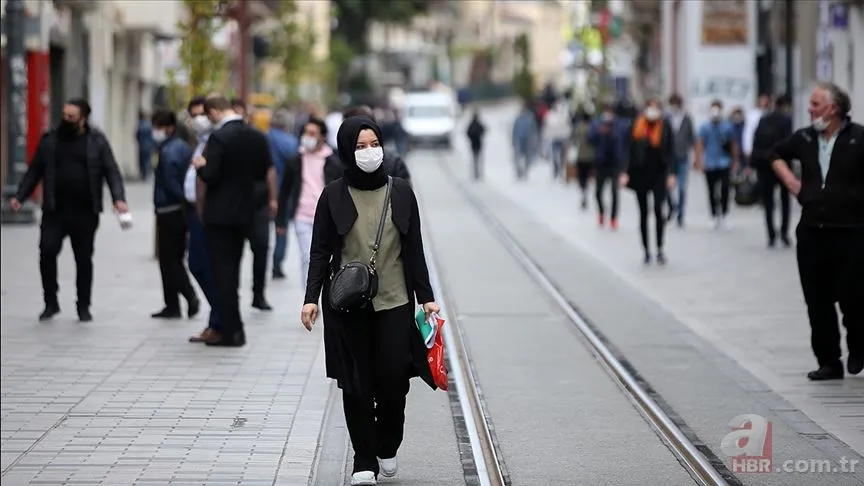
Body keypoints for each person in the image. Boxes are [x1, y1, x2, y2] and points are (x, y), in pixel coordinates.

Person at [300, 116, 441, 485]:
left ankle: (388, 443)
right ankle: (364, 457)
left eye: (374, 144)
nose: (369, 152)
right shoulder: (333, 194)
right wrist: (310, 298)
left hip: (395, 300)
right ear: (348, 150)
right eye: (360, 146)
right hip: (348, 304)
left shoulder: (402, 191)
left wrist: (426, 297)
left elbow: (414, 248)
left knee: (394, 379)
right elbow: (319, 250)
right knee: (356, 382)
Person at [770, 82, 864, 381]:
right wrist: (791, 182)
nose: (809, 110)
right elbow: (774, 154)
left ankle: (858, 344)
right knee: (817, 299)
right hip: (812, 231)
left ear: (833, 108)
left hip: (851, 231)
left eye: (815, 104)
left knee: (853, 295)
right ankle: (829, 361)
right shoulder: (805, 137)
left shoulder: (858, 137)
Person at [9, 98, 128, 321]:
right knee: (47, 252)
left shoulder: (97, 141)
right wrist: (20, 196)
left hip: (85, 212)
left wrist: (119, 198)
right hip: (55, 210)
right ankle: (50, 302)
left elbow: (111, 171)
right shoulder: (50, 140)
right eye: (64, 115)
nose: (66, 120)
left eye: (71, 117)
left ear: (83, 119)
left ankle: (83, 306)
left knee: (83, 259)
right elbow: (35, 170)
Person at [193, 96, 275, 347]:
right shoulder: (257, 136)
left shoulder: (218, 138)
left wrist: (200, 166)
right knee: (234, 271)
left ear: (215, 112)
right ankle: (233, 329)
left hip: (219, 216)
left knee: (223, 275)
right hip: (246, 212)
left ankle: (232, 331)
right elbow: (263, 171)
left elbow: (210, 174)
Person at [276, 117, 342, 287]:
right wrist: (280, 221)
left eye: (313, 133)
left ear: (322, 136)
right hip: (302, 216)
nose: (308, 137)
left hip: (326, 218)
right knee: (307, 257)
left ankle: (325, 292)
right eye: (306, 133)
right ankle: (310, 295)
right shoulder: (295, 160)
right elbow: (284, 191)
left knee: (327, 257)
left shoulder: (333, 162)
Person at [149, 109, 200, 319]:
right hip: (177, 209)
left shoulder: (170, 150)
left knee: (170, 259)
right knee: (172, 258)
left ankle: (189, 296)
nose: (155, 131)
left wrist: (182, 201)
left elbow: (171, 182)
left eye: (158, 127)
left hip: (171, 210)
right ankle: (172, 304)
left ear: (169, 128)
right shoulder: (181, 147)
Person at [183, 96, 222, 342]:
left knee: (203, 265)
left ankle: (220, 318)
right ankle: (217, 316)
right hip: (194, 211)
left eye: (202, 115)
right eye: (194, 115)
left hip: (207, 213)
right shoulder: (200, 142)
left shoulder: (216, 142)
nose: (198, 120)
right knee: (198, 264)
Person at [620, 99, 676, 264]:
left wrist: (672, 174)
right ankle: (646, 250)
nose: (652, 111)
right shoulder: (636, 125)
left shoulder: (665, 126)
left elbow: (671, 151)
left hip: (659, 172)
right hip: (640, 173)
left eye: (656, 108)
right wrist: (624, 172)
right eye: (650, 108)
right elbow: (628, 150)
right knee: (643, 212)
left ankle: (659, 248)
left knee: (659, 209)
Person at [752, 94, 794, 247]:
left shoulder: (763, 120)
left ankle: (771, 234)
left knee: (768, 202)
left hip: (765, 164)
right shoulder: (786, 120)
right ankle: (784, 233)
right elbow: (789, 142)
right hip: (782, 163)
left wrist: (755, 163)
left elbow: (756, 141)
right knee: (785, 200)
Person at [695, 99, 739, 229]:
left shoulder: (727, 126)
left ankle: (724, 214)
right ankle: (714, 215)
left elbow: (733, 144)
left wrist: (735, 161)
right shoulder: (704, 126)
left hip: (724, 162)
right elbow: (700, 144)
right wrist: (699, 161)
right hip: (710, 163)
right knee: (711, 190)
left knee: (725, 189)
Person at [268, 109, 300, 279]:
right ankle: (277, 264)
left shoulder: (264, 138)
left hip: (263, 190)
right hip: (283, 190)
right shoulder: (291, 142)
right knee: (281, 228)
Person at [342, 106, 411, 182]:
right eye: (360, 146)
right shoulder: (336, 166)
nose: (368, 150)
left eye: (374, 144)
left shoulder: (394, 162)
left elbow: (405, 187)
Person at [588, 104, 626, 229]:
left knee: (614, 192)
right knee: (598, 192)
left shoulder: (619, 125)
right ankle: (601, 212)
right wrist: (599, 132)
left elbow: (624, 141)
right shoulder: (596, 124)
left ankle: (614, 218)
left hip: (615, 163)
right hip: (601, 163)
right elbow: (590, 139)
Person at [666, 94, 696, 227]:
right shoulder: (666, 119)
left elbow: (692, 137)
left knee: (682, 188)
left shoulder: (686, 119)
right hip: (668, 158)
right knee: (667, 186)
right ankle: (672, 206)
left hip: (683, 156)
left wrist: (693, 155)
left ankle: (681, 214)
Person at [572, 108, 595, 210]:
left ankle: (583, 189)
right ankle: (585, 189)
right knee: (587, 175)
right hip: (591, 157)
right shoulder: (593, 128)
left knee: (581, 176)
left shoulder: (579, 127)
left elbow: (574, 139)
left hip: (580, 156)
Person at [512, 101, 540, 180]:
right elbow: (514, 130)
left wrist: (534, 140)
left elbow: (534, 130)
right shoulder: (518, 118)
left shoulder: (530, 118)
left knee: (527, 157)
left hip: (528, 140)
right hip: (519, 139)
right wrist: (513, 140)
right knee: (518, 157)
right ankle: (519, 171)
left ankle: (525, 171)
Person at [465, 110, 487, 180]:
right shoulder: (477, 124)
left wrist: (471, 139)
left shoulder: (472, 125)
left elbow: (467, 133)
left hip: (474, 144)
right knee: (478, 159)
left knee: (475, 160)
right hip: (478, 144)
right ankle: (478, 173)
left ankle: (476, 173)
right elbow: (484, 130)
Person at [136, 110, 155, 181]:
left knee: (141, 160)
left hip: (142, 146)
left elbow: (137, 135)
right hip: (148, 146)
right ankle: (146, 173)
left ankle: (143, 174)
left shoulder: (140, 125)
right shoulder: (148, 125)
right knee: (147, 160)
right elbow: (152, 136)